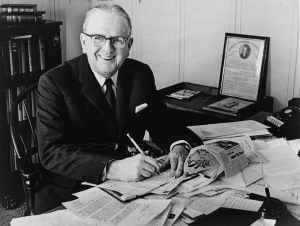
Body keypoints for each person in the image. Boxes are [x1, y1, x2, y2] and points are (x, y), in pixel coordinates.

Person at [35, 4, 201, 214]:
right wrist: (111, 168)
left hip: (132, 188)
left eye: (117, 40)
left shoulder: (140, 73)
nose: (108, 49)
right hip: (72, 192)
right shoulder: (54, 82)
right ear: (84, 42)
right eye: (98, 38)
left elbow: (162, 122)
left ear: (129, 44)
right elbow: (52, 152)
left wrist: (178, 145)